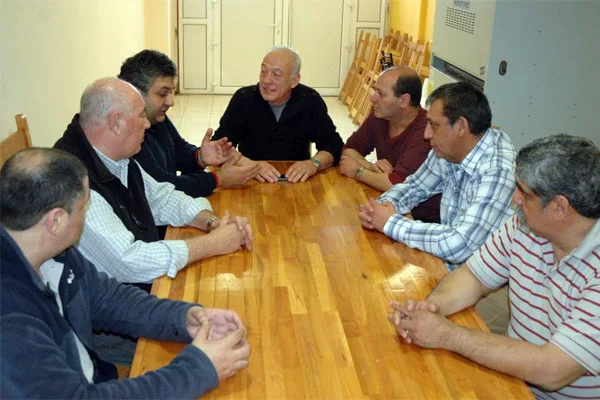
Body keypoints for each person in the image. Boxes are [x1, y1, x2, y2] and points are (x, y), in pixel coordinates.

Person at [0, 148, 251, 398]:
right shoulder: (11, 320)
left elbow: (109, 299)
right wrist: (199, 370)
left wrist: (183, 318)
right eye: (83, 206)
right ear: (55, 221)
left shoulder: (51, 251)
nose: (86, 214)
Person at [388, 134, 600, 398]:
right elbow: (473, 277)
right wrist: (432, 308)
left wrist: (446, 335)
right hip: (513, 378)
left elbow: (553, 370)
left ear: (559, 207)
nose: (515, 199)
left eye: (524, 193)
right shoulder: (525, 226)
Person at [54, 77, 251, 287]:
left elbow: (161, 198)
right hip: (109, 307)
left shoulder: (116, 157)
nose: (147, 124)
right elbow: (128, 262)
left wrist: (212, 223)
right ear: (116, 123)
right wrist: (212, 244)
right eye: (141, 116)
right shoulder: (73, 184)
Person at [359, 82, 516, 270]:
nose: (426, 134)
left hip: (478, 276)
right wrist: (383, 207)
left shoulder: (497, 169)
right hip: (444, 262)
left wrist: (389, 222)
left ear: (461, 126)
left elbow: (460, 244)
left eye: (433, 125)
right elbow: (414, 187)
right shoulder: (451, 147)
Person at [118, 49, 261, 198]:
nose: (170, 102)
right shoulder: (126, 135)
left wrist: (200, 157)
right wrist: (219, 179)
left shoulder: (157, 118)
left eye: (171, 93)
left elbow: (179, 150)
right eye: (162, 94)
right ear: (135, 92)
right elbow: (163, 186)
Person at [212, 45, 344, 183]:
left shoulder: (309, 100)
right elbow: (218, 145)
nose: (266, 81)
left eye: (276, 74)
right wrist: (248, 164)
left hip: (296, 181)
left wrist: (314, 163)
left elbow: (334, 145)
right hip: (250, 180)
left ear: (294, 80)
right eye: (263, 71)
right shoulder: (243, 99)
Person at [339, 66, 441, 223]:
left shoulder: (425, 133)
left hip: (419, 220)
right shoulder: (380, 116)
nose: (372, 98)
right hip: (389, 205)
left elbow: (395, 183)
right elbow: (349, 149)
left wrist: (358, 171)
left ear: (403, 100)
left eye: (381, 94)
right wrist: (370, 167)